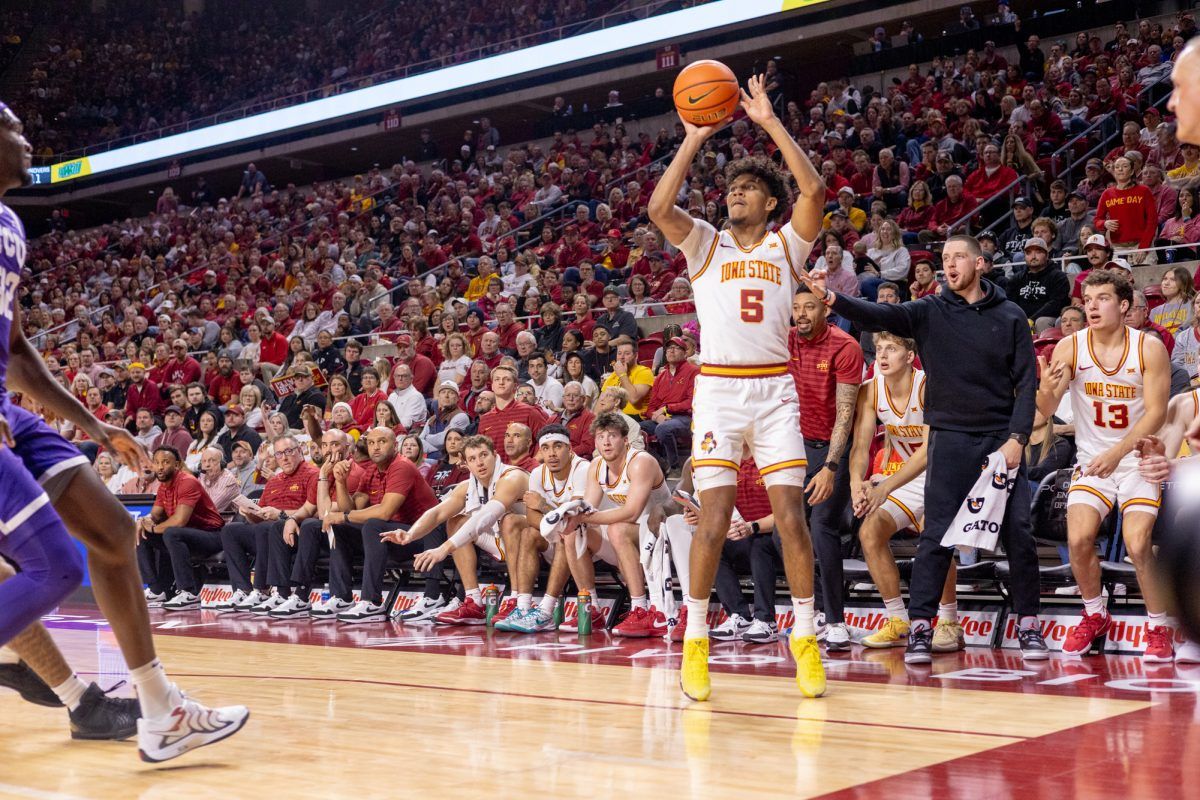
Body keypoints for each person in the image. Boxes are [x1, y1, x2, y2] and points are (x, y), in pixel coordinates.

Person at [0, 101, 246, 761]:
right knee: (53, 568)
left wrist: (91, 422)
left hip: (9, 406)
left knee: (112, 530)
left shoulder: (12, 227)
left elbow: (17, 348)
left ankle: (160, 711)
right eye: (14, 127)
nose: (27, 137)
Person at [648, 74, 825, 702]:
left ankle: (804, 637)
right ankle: (695, 643)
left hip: (774, 392)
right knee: (713, 521)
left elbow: (814, 188)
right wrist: (694, 138)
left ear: (768, 203)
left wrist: (770, 122)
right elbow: (658, 209)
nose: (735, 195)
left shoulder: (785, 243)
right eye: (731, 188)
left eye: (748, 188)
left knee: (790, 521)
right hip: (720, 392)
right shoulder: (705, 243)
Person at [810, 234, 1049, 663]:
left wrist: (1017, 439)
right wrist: (832, 298)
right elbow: (878, 311)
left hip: (1000, 440)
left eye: (959, 257)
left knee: (1019, 534)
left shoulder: (1011, 315)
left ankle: (1028, 623)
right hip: (949, 438)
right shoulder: (929, 311)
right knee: (936, 536)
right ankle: (920, 627)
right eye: (944, 259)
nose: (950, 264)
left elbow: (1027, 385)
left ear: (981, 264)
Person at [1036, 270, 1173, 660]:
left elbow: (1157, 413)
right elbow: (1044, 412)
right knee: (1078, 539)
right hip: (1093, 462)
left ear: (1124, 304)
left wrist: (1118, 453)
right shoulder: (1070, 347)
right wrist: (1045, 391)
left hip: (1137, 461)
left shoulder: (1148, 348)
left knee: (1138, 543)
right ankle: (1095, 614)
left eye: (1102, 298)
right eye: (1087, 299)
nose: (1092, 306)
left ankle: (1159, 625)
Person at [849, 333, 961, 650]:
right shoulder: (870, 390)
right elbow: (860, 445)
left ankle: (950, 622)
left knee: (935, 540)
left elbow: (929, 449)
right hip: (908, 477)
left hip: (947, 470)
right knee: (870, 532)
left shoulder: (928, 386)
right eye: (880, 349)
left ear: (910, 356)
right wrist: (857, 482)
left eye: (892, 349)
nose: (883, 356)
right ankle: (898, 620)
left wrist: (885, 486)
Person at [787, 285, 863, 650]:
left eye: (809, 308)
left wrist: (831, 467)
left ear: (825, 311)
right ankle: (811, 612)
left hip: (835, 448)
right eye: (797, 307)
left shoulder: (845, 347)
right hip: (796, 446)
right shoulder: (785, 341)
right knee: (786, 529)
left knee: (821, 528)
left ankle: (836, 621)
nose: (801, 314)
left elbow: (845, 416)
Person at [563, 412, 675, 638]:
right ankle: (591, 607)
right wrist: (569, 516)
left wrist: (584, 517)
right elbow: (589, 508)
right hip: (633, 539)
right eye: (600, 436)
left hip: (665, 537)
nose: (605, 442)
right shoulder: (596, 466)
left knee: (617, 527)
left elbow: (632, 513)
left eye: (612, 436)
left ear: (625, 440)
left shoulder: (641, 461)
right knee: (572, 533)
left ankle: (640, 609)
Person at [399, 435, 529, 625]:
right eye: (473, 459)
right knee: (455, 521)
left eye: (484, 455)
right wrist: (409, 535)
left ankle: (517, 600)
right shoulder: (468, 486)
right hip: (501, 542)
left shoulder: (512, 477)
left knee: (509, 521)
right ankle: (473, 601)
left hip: (536, 542)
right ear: (466, 463)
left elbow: (487, 516)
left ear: (495, 455)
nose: (480, 462)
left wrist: (444, 548)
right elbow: (436, 513)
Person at [323, 427, 441, 623]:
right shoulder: (371, 471)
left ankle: (372, 601)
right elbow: (354, 508)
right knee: (342, 528)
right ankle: (342, 597)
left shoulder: (401, 466)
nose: (375, 447)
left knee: (372, 525)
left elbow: (385, 511)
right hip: (394, 536)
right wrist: (341, 483)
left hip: (423, 537)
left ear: (395, 446)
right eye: (371, 443)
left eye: (382, 442)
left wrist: (343, 516)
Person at [498, 425, 588, 633]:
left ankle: (546, 612)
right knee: (529, 533)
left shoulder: (582, 468)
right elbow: (531, 518)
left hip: (587, 540)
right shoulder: (538, 473)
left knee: (568, 533)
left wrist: (544, 506)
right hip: (558, 535)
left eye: (558, 446)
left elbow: (574, 518)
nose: (552, 453)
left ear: (570, 449)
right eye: (546, 448)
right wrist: (553, 519)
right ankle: (522, 608)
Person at [215, 434, 318, 614]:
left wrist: (280, 514)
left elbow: (314, 511)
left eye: (288, 451)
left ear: (300, 451)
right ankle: (242, 589)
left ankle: (265, 590)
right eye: (279, 454)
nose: (284, 458)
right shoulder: (274, 481)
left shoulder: (312, 474)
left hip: (296, 533)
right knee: (231, 530)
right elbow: (260, 515)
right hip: (267, 534)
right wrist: (249, 512)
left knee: (267, 527)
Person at [137, 445, 227, 612]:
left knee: (171, 532)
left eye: (165, 462)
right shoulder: (163, 486)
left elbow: (179, 521)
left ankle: (189, 593)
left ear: (177, 465)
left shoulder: (187, 482)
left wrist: (154, 529)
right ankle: (157, 589)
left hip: (212, 536)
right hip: (186, 536)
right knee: (140, 532)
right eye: (157, 462)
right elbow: (155, 515)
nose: (160, 466)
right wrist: (144, 520)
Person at [642, 336, 698, 473]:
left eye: (676, 348)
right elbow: (651, 407)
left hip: (685, 417)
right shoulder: (661, 376)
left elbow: (692, 402)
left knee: (664, 429)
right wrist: (657, 417)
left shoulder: (694, 371)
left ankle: (674, 466)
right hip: (661, 418)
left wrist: (667, 409)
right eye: (669, 348)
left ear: (685, 353)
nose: (671, 351)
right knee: (633, 428)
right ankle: (660, 464)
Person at [1010, 237, 1072, 329]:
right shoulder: (1016, 278)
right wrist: (1021, 319)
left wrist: (1032, 319)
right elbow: (1011, 303)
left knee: (1042, 321)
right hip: (1021, 320)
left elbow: (1056, 304)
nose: (1033, 256)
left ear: (1047, 255)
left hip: (1049, 319)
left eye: (1038, 252)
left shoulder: (1058, 276)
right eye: (1028, 253)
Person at [599, 341, 654, 421]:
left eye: (627, 353)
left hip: (635, 418)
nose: (622, 357)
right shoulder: (612, 376)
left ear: (636, 356)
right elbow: (599, 407)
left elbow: (633, 399)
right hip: (612, 418)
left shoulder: (644, 372)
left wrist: (622, 375)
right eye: (619, 353)